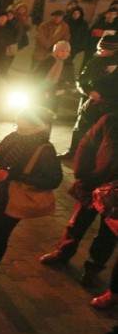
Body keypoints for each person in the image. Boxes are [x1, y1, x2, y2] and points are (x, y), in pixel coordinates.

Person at [0, 107, 63, 281]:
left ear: (38, 126)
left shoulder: (44, 149)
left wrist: (20, 177)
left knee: (1, 233)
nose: (19, 129)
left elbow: (54, 179)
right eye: (18, 125)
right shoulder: (15, 137)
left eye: (24, 127)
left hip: (16, 196)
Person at [40, 111, 118, 286]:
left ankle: (94, 268)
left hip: (117, 194)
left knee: (108, 234)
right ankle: (63, 253)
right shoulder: (112, 119)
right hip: (93, 182)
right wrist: (82, 173)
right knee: (77, 222)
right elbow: (87, 144)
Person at [65, 34, 118, 158]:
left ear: (113, 50)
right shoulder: (95, 60)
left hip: (110, 104)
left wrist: (106, 97)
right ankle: (73, 152)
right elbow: (82, 80)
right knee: (80, 128)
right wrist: (90, 92)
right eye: (99, 48)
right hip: (90, 102)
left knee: (101, 132)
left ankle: (91, 157)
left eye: (103, 49)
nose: (99, 51)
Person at [34, 40, 75, 113]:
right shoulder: (48, 60)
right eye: (62, 51)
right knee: (37, 109)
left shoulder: (68, 64)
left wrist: (64, 88)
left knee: (50, 111)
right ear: (56, 51)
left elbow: (70, 79)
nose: (64, 53)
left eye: (67, 51)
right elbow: (38, 74)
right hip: (42, 89)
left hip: (56, 91)